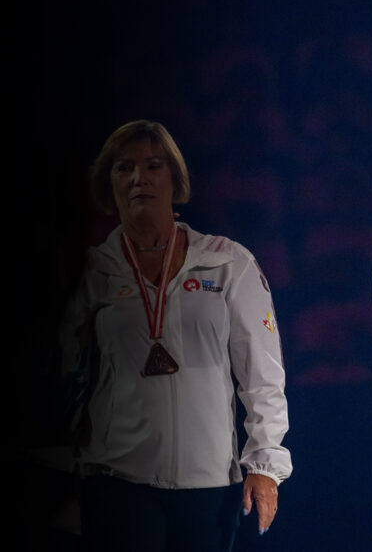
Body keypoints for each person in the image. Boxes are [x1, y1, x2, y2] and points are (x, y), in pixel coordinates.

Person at [61, 120, 292, 551]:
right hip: (116, 480)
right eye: (123, 168)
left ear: (175, 178)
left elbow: (262, 373)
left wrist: (264, 463)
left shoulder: (228, 263)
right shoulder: (92, 271)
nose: (138, 178)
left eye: (153, 165)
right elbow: (65, 375)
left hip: (208, 486)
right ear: (108, 184)